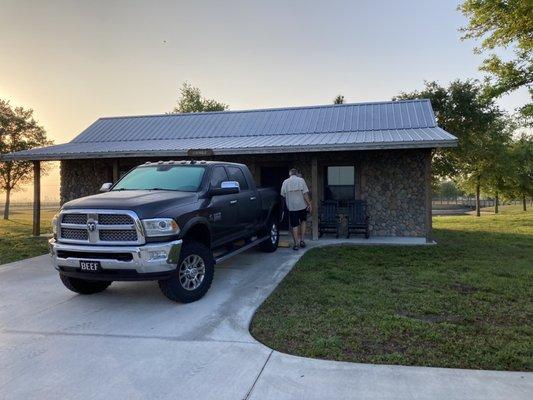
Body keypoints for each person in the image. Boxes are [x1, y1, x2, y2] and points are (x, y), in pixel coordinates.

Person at [280, 168, 312, 250]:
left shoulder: (285, 182)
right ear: (297, 173)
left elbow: (282, 196)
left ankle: (296, 244)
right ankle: (302, 241)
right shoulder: (301, 180)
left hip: (292, 207)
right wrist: (309, 204)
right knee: (303, 222)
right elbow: (305, 193)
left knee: (294, 225)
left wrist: (283, 209)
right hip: (302, 206)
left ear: (290, 174)